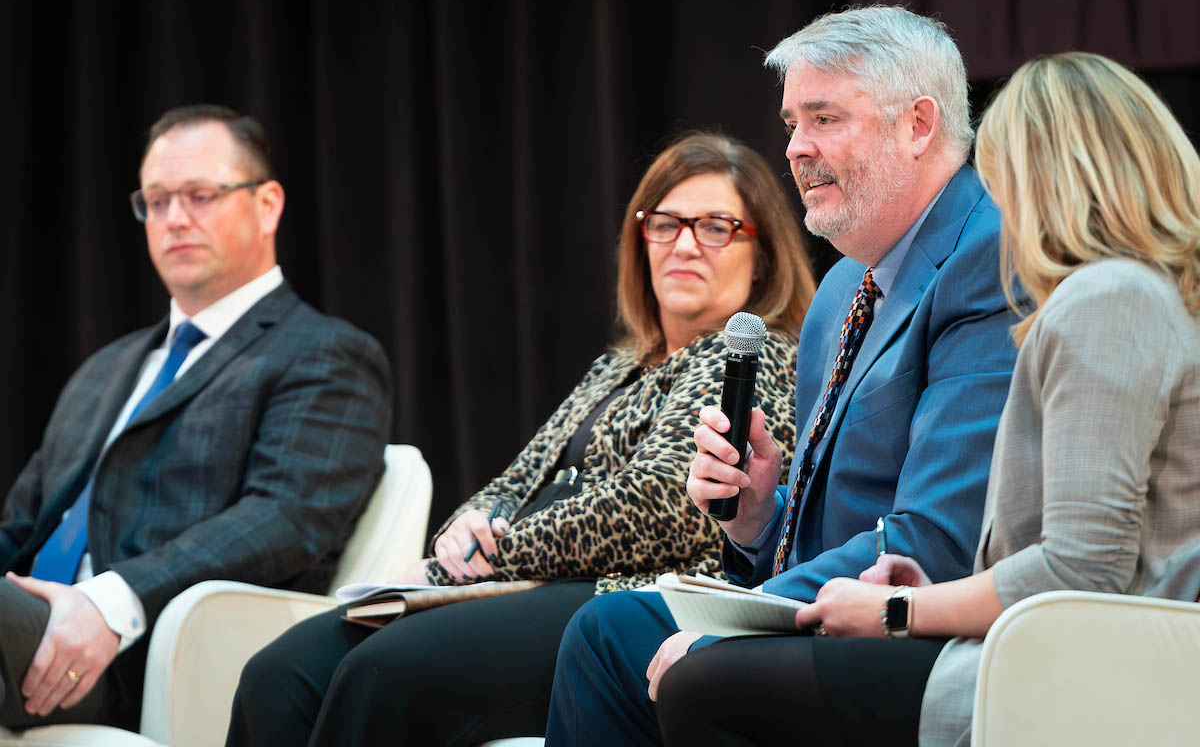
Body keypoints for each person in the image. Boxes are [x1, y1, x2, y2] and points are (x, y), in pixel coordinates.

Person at [224, 132, 816, 746]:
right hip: (527, 580)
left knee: (384, 672)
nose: (685, 244)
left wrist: (497, 553)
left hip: (619, 596)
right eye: (664, 224)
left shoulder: (752, 356)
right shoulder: (617, 365)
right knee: (280, 673)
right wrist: (471, 523)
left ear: (763, 255)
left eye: (716, 227)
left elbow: (663, 506)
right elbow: (517, 477)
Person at [545, 6, 1021, 746]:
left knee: (698, 671)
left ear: (919, 124)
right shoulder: (840, 291)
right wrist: (759, 518)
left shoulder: (987, 261)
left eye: (825, 118)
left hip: (915, 630)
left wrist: (747, 618)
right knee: (607, 630)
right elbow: (817, 533)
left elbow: (932, 539)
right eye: (794, 121)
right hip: (818, 608)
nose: (796, 149)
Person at [701, 51, 1199, 746]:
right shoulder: (1137, 296)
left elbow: (1084, 567)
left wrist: (901, 610)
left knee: (708, 683)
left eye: (999, 182)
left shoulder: (1109, 299)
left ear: (1047, 179)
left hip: (1081, 678)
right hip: (1061, 654)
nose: (995, 210)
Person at [0, 105, 392, 731]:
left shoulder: (325, 354)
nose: (175, 218)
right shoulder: (106, 367)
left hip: (140, 651)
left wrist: (110, 602)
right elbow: (21, 523)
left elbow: (286, 517)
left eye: (201, 195)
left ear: (267, 205)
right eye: (156, 201)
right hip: (24, 617)